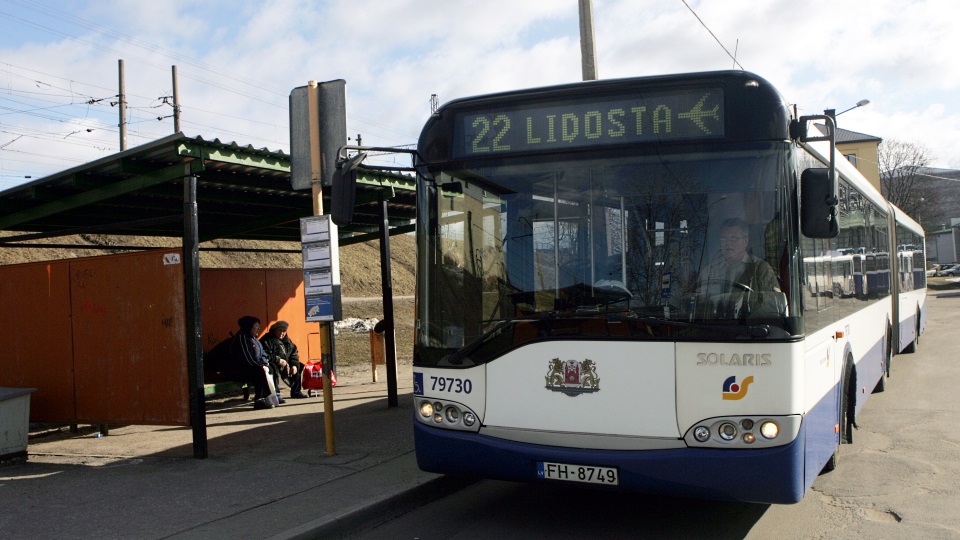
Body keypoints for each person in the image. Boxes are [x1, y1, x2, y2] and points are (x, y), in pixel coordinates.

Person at [699, 218, 780, 317]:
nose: (728, 242)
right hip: (712, 328)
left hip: (748, 328)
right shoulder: (709, 271)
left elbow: (772, 309)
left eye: (733, 238)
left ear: (745, 241)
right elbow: (699, 304)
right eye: (724, 238)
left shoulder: (760, 269)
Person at [228, 315, 277, 410]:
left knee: (270, 368)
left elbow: (263, 354)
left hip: (251, 368)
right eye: (256, 325)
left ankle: (273, 396)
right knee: (259, 371)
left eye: (259, 325)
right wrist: (260, 365)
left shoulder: (255, 340)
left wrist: (265, 363)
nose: (259, 328)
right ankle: (260, 399)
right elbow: (247, 358)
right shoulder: (241, 338)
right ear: (249, 326)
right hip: (238, 371)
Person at [260, 320, 307, 400]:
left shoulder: (287, 341)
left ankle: (296, 391)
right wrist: (278, 360)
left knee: (298, 365)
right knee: (272, 368)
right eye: (280, 330)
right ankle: (276, 394)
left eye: (284, 331)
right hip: (273, 363)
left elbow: (293, 353)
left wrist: (294, 364)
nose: (282, 333)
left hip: (285, 363)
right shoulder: (267, 340)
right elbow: (265, 354)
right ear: (274, 330)